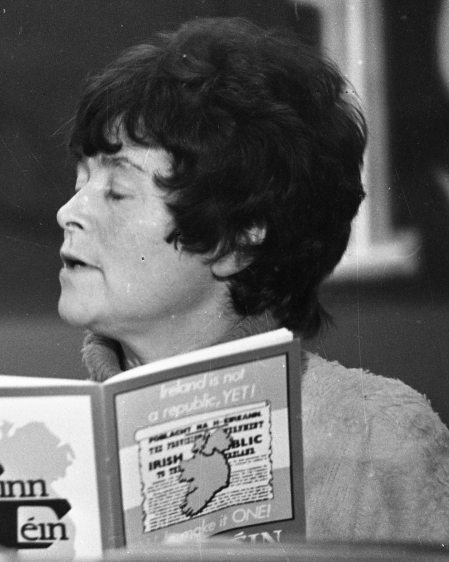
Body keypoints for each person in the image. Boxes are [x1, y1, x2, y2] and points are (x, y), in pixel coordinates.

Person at [58, 17, 449, 542]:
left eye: (117, 191)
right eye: (80, 181)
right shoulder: (50, 436)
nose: (68, 212)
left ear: (237, 238)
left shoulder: (377, 437)